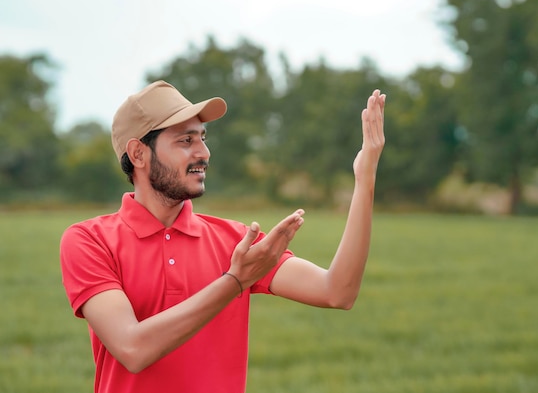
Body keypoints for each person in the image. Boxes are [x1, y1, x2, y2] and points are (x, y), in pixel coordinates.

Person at [59, 79, 385, 393]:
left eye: (202, 138)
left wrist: (365, 177)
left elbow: (338, 292)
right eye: (186, 141)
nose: (203, 152)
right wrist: (234, 282)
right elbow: (132, 348)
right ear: (139, 154)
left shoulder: (235, 241)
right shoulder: (89, 241)